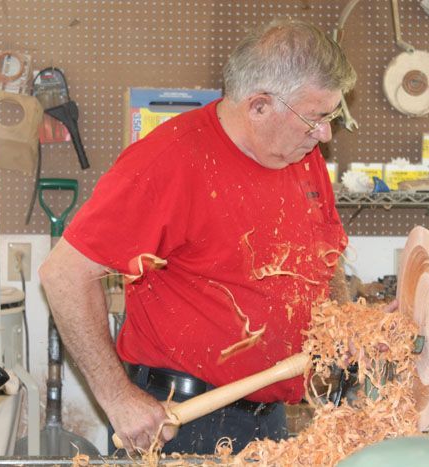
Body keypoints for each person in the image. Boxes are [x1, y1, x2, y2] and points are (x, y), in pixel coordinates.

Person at [39, 18, 356, 455]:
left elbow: (324, 255)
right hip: (185, 422)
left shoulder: (300, 154)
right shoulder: (168, 162)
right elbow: (64, 275)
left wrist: (345, 323)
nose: (325, 133)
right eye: (315, 118)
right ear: (259, 106)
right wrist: (117, 399)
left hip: (272, 422)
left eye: (331, 116)